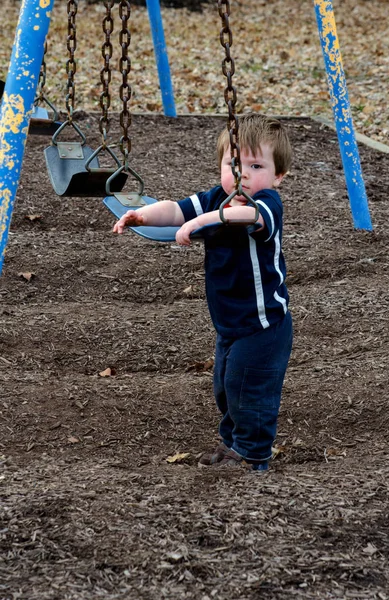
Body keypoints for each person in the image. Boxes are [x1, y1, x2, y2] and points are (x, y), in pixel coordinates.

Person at [113, 113, 293, 471]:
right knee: (227, 389)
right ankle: (232, 447)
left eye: (255, 165)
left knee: (249, 391)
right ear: (221, 166)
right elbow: (176, 209)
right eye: (233, 163)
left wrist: (199, 223)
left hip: (263, 326)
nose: (242, 173)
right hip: (229, 324)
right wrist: (143, 215)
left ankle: (253, 455)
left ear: (277, 176)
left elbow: (244, 219)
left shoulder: (267, 204)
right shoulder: (215, 198)